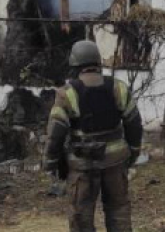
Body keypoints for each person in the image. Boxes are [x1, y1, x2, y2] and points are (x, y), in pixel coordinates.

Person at [45, 40, 143, 232]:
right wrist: (133, 153)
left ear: (75, 65)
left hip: (83, 167)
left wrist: (50, 163)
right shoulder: (119, 88)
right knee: (119, 211)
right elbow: (134, 124)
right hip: (115, 163)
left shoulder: (67, 94)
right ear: (97, 62)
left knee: (81, 217)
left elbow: (55, 134)